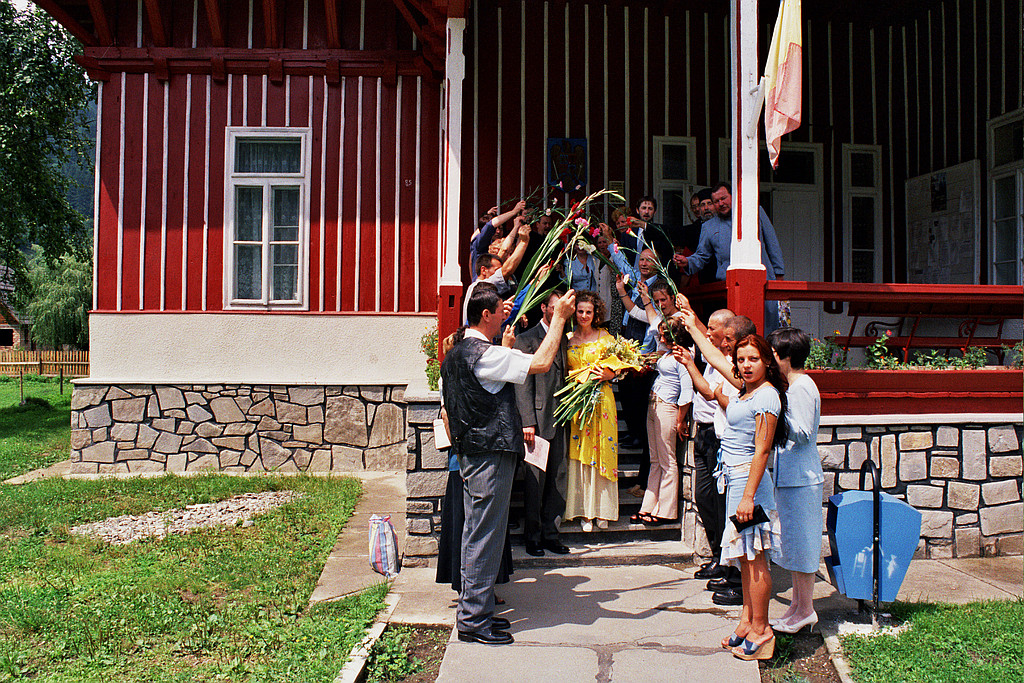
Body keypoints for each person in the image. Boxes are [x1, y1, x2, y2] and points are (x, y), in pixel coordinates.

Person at [441, 285, 577, 645]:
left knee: (476, 532)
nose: (506, 314)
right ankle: (473, 620)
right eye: (500, 309)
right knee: (484, 535)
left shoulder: (457, 354)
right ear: (485, 314)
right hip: (489, 455)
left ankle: (476, 610)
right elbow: (542, 363)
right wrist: (560, 318)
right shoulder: (484, 354)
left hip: (472, 453)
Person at [675, 311, 788, 662]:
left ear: (767, 362)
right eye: (741, 360)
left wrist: (749, 497)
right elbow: (712, 358)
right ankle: (746, 623)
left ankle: (762, 631)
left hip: (750, 486)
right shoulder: (743, 390)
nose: (746, 365)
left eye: (753, 359)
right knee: (744, 558)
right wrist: (693, 326)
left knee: (755, 559)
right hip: (734, 480)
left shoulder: (767, 396)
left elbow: (762, 450)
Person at [766, 327, 824, 634]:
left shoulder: (800, 387)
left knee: (802, 545)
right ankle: (797, 606)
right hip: (791, 478)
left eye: (773, 354)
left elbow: (802, 432)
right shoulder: (793, 386)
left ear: (784, 356)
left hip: (802, 479)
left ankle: (806, 609)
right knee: (791, 544)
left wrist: (778, 409)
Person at [677, 182, 786, 334]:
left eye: (723, 198)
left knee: (766, 329)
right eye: (716, 201)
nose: (721, 203)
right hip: (728, 287)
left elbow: (772, 243)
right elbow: (701, 256)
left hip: (762, 281)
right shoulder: (709, 226)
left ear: (732, 196)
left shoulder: (754, 213)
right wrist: (687, 262)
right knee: (733, 331)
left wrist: (779, 275)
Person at [513, 290, 571, 557]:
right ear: (544, 309)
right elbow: (522, 382)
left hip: (561, 418)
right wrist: (527, 420)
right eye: (555, 306)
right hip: (536, 420)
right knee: (535, 482)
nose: (560, 310)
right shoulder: (526, 339)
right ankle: (533, 537)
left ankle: (551, 534)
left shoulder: (566, 338)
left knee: (558, 478)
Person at [563, 291, 620, 532]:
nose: (584, 315)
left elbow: (620, 367)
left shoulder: (606, 337)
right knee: (582, 451)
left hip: (602, 400)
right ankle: (584, 511)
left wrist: (611, 374)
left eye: (589, 311)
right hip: (578, 402)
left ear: (595, 313)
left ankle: (603, 509)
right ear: (574, 312)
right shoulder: (567, 338)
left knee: (604, 449)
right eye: (580, 311)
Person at [631, 316, 693, 524]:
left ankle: (666, 510)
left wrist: (680, 419)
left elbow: (687, 389)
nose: (661, 338)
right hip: (654, 404)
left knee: (667, 459)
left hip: (667, 406)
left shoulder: (682, 356)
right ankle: (649, 506)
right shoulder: (667, 354)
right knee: (655, 458)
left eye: (665, 335)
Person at [688, 308, 735, 582]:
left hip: (719, 437)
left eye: (712, 329)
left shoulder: (727, 362)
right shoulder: (710, 355)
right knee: (703, 496)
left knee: (719, 501)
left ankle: (726, 563)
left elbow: (709, 392)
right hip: (702, 431)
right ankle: (717, 555)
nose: (707, 333)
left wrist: (689, 365)